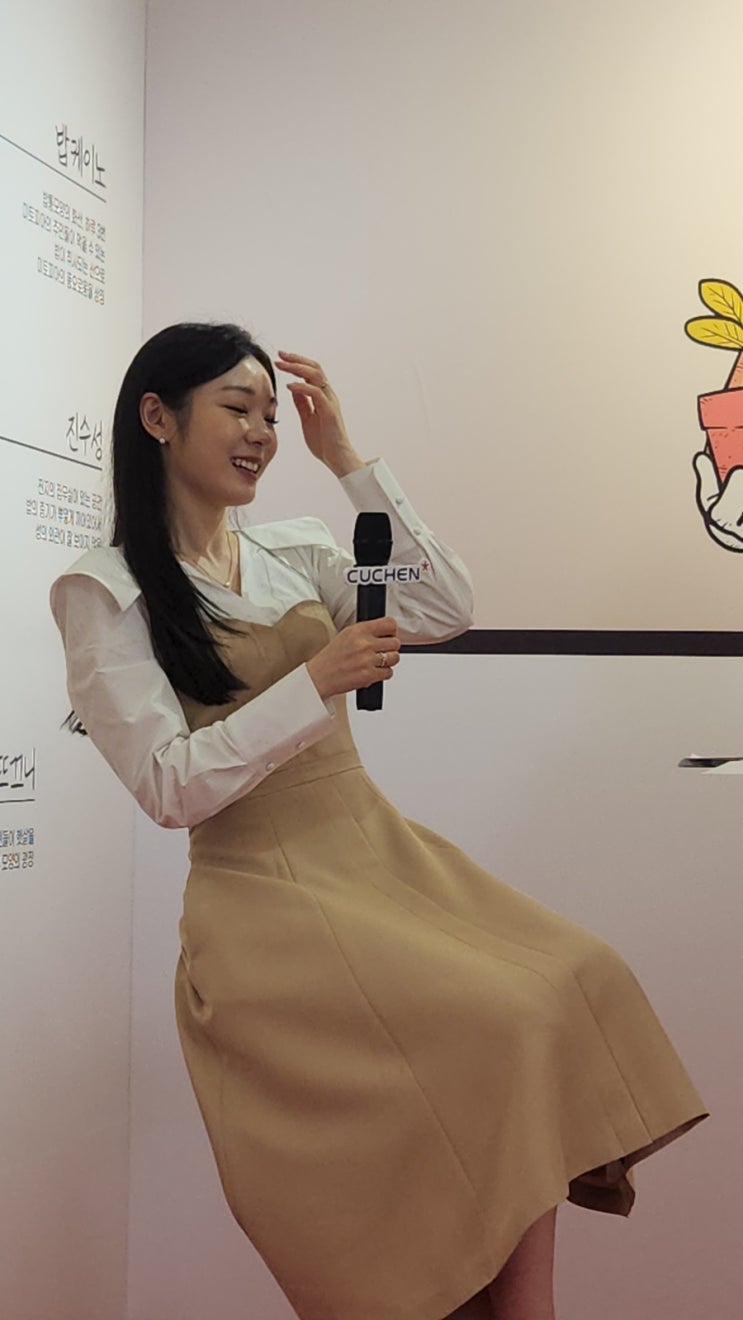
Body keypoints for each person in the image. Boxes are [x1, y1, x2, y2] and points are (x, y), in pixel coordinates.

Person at [50, 323, 708, 1320]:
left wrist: (348, 461)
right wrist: (312, 681)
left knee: (571, 978)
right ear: (157, 417)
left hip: (377, 854)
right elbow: (167, 787)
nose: (261, 431)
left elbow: (445, 607)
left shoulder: (297, 552)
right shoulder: (105, 590)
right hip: (263, 896)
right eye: (236, 407)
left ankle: (523, 1307)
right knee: (504, 1020)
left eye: (271, 414)